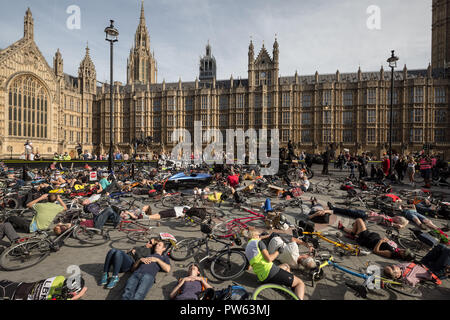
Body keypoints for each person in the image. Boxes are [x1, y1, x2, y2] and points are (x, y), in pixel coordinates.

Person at [245, 228, 305, 300]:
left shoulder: (247, 248)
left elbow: (248, 267)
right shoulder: (259, 243)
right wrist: (278, 251)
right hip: (271, 272)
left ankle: (288, 289)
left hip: (262, 278)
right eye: (259, 235)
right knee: (300, 283)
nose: (259, 237)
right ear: (255, 235)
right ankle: (293, 289)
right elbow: (269, 259)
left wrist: (258, 263)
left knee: (286, 266)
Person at [337, 218, 416, 260]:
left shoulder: (391, 253)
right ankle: (343, 229)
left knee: (359, 220)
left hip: (367, 239)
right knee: (357, 229)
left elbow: (376, 251)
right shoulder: (397, 250)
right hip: (370, 237)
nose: (403, 250)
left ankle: (353, 235)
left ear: (403, 256)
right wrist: (387, 241)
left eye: (404, 252)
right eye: (405, 250)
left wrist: (381, 241)